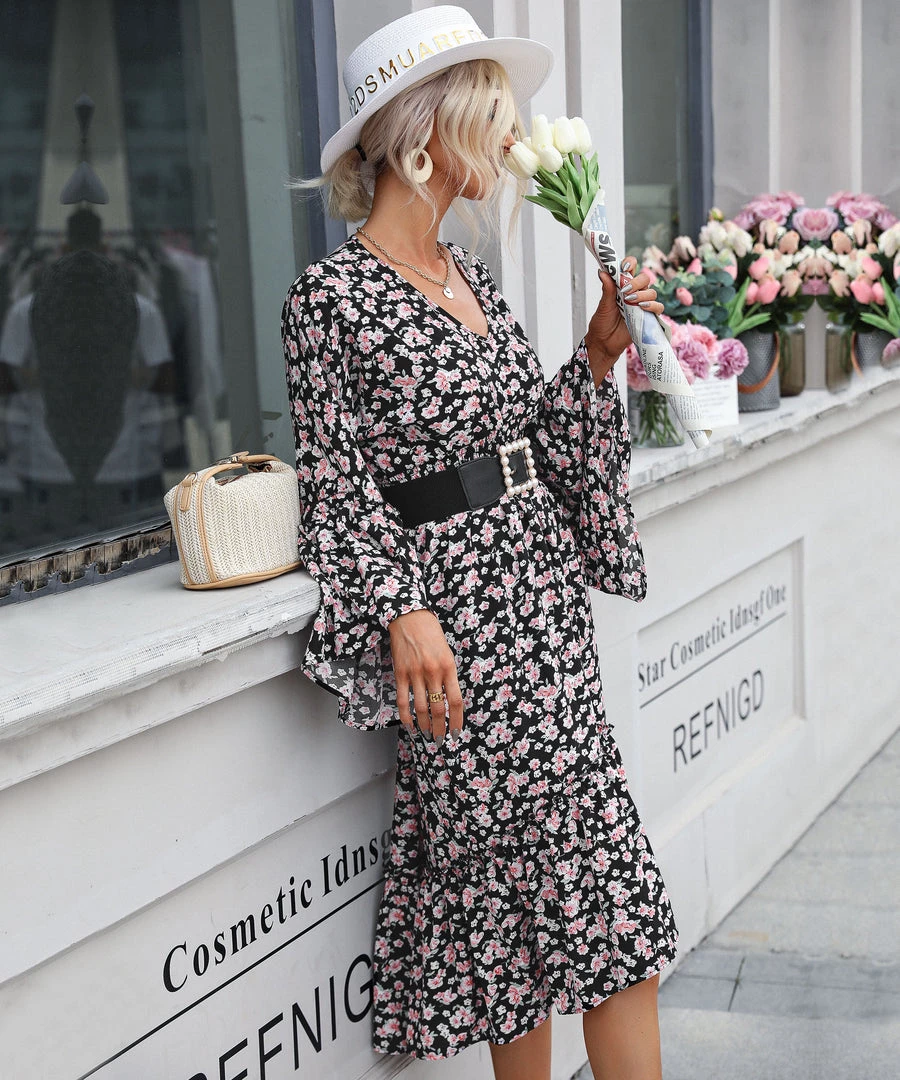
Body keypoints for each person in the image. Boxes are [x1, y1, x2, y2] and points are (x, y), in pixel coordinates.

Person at [281, 8, 678, 1079]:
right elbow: (336, 483)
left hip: (543, 614)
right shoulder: (330, 300)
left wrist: (595, 356)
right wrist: (404, 610)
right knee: (553, 935)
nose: (510, 141)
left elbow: (525, 450)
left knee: (589, 928)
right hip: (459, 638)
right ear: (427, 132)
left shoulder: (471, 279)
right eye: (493, 117)